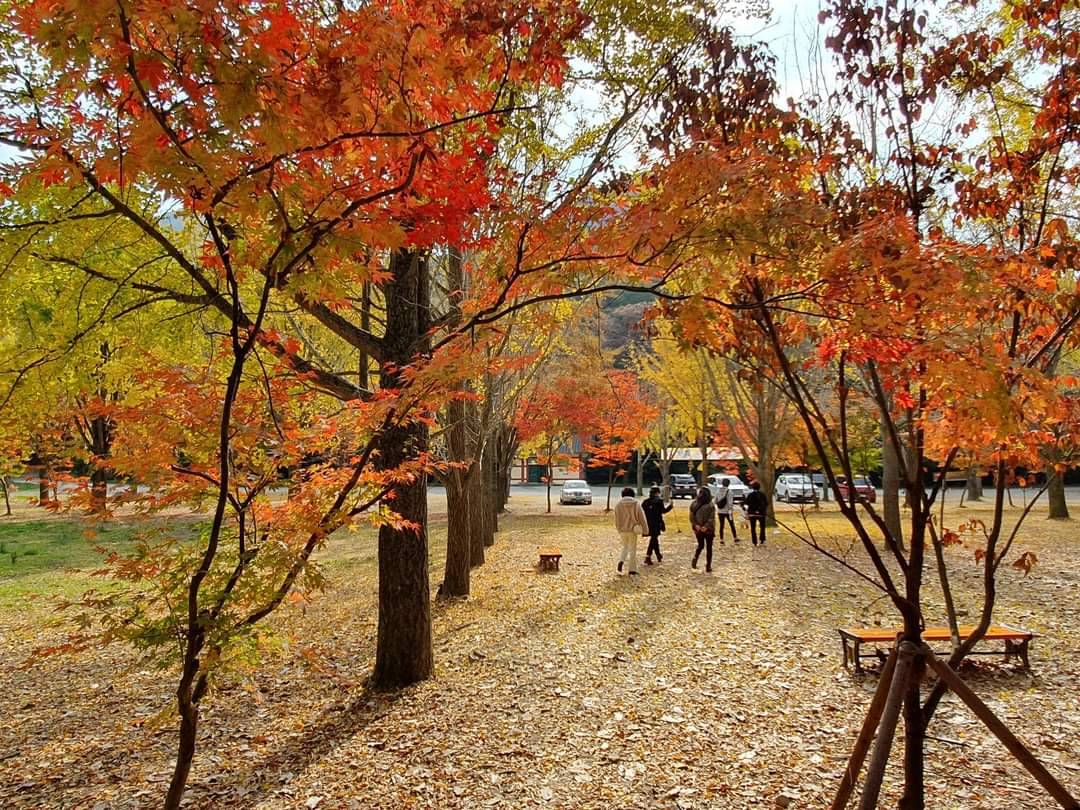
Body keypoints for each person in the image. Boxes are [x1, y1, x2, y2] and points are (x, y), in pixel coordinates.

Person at [614, 486, 649, 575]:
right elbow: (642, 517)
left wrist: (619, 528)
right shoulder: (636, 503)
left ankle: (621, 561)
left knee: (625, 547)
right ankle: (632, 569)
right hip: (633, 529)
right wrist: (645, 530)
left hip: (622, 529)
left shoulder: (618, 505)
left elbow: (617, 519)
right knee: (632, 549)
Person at [642, 486, 673, 565]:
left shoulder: (645, 502)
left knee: (654, 539)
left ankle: (658, 555)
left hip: (647, 523)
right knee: (654, 539)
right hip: (656, 523)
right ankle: (648, 556)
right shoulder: (659, 501)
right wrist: (670, 506)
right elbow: (663, 511)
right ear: (657, 493)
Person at [689, 487, 717, 572]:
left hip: (698, 529)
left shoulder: (694, 504)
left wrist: (696, 525)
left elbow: (691, 517)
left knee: (700, 545)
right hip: (709, 529)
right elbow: (711, 518)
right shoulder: (710, 505)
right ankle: (708, 566)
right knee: (709, 548)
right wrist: (706, 526)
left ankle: (695, 560)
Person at [745, 481, 769, 547]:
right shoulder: (762, 494)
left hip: (752, 513)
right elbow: (766, 503)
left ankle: (754, 541)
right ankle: (762, 539)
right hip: (761, 513)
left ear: (752, 487)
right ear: (759, 487)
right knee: (762, 527)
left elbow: (747, 503)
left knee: (753, 528)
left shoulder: (750, 495)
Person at [715, 477, 738, 544]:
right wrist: (730, 509)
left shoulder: (718, 491)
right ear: (728, 484)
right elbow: (730, 502)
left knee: (721, 525)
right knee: (731, 524)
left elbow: (715, 500)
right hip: (728, 511)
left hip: (720, 511)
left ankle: (721, 539)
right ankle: (735, 537)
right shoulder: (729, 492)